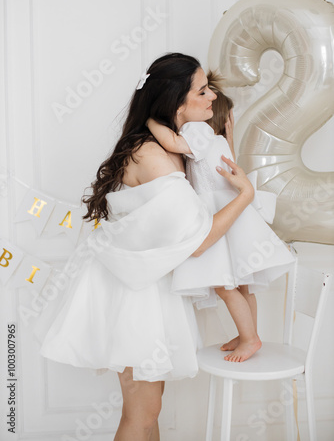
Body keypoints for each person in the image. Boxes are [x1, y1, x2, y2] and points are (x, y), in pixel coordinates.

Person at [34, 53, 256, 441]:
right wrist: (245, 195)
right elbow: (200, 241)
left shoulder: (172, 144)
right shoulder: (154, 157)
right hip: (132, 294)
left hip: (142, 285)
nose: (212, 96)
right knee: (142, 412)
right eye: (202, 91)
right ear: (175, 102)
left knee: (148, 411)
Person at [146, 70, 296, 364]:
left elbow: (173, 144)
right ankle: (247, 334)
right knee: (242, 285)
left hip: (217, 214)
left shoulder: (197, 132)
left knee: (224, 285)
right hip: (234, 215)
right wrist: (230, 135)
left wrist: (151, 119)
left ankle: (250, 338)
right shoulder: (219, 142)